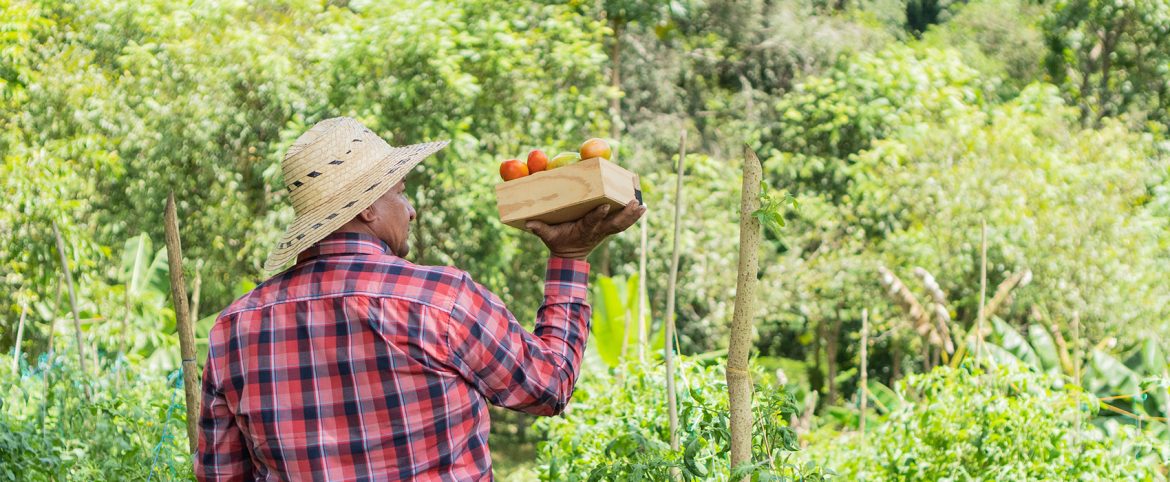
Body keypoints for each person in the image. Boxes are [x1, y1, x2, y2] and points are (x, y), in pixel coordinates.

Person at [195, 116, 645, 481]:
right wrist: (569, 255)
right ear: (367, 208)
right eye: (401, 192)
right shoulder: (441, 301)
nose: (410, 209)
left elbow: (221, 475)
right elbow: (549, 386)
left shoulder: (233, 329)